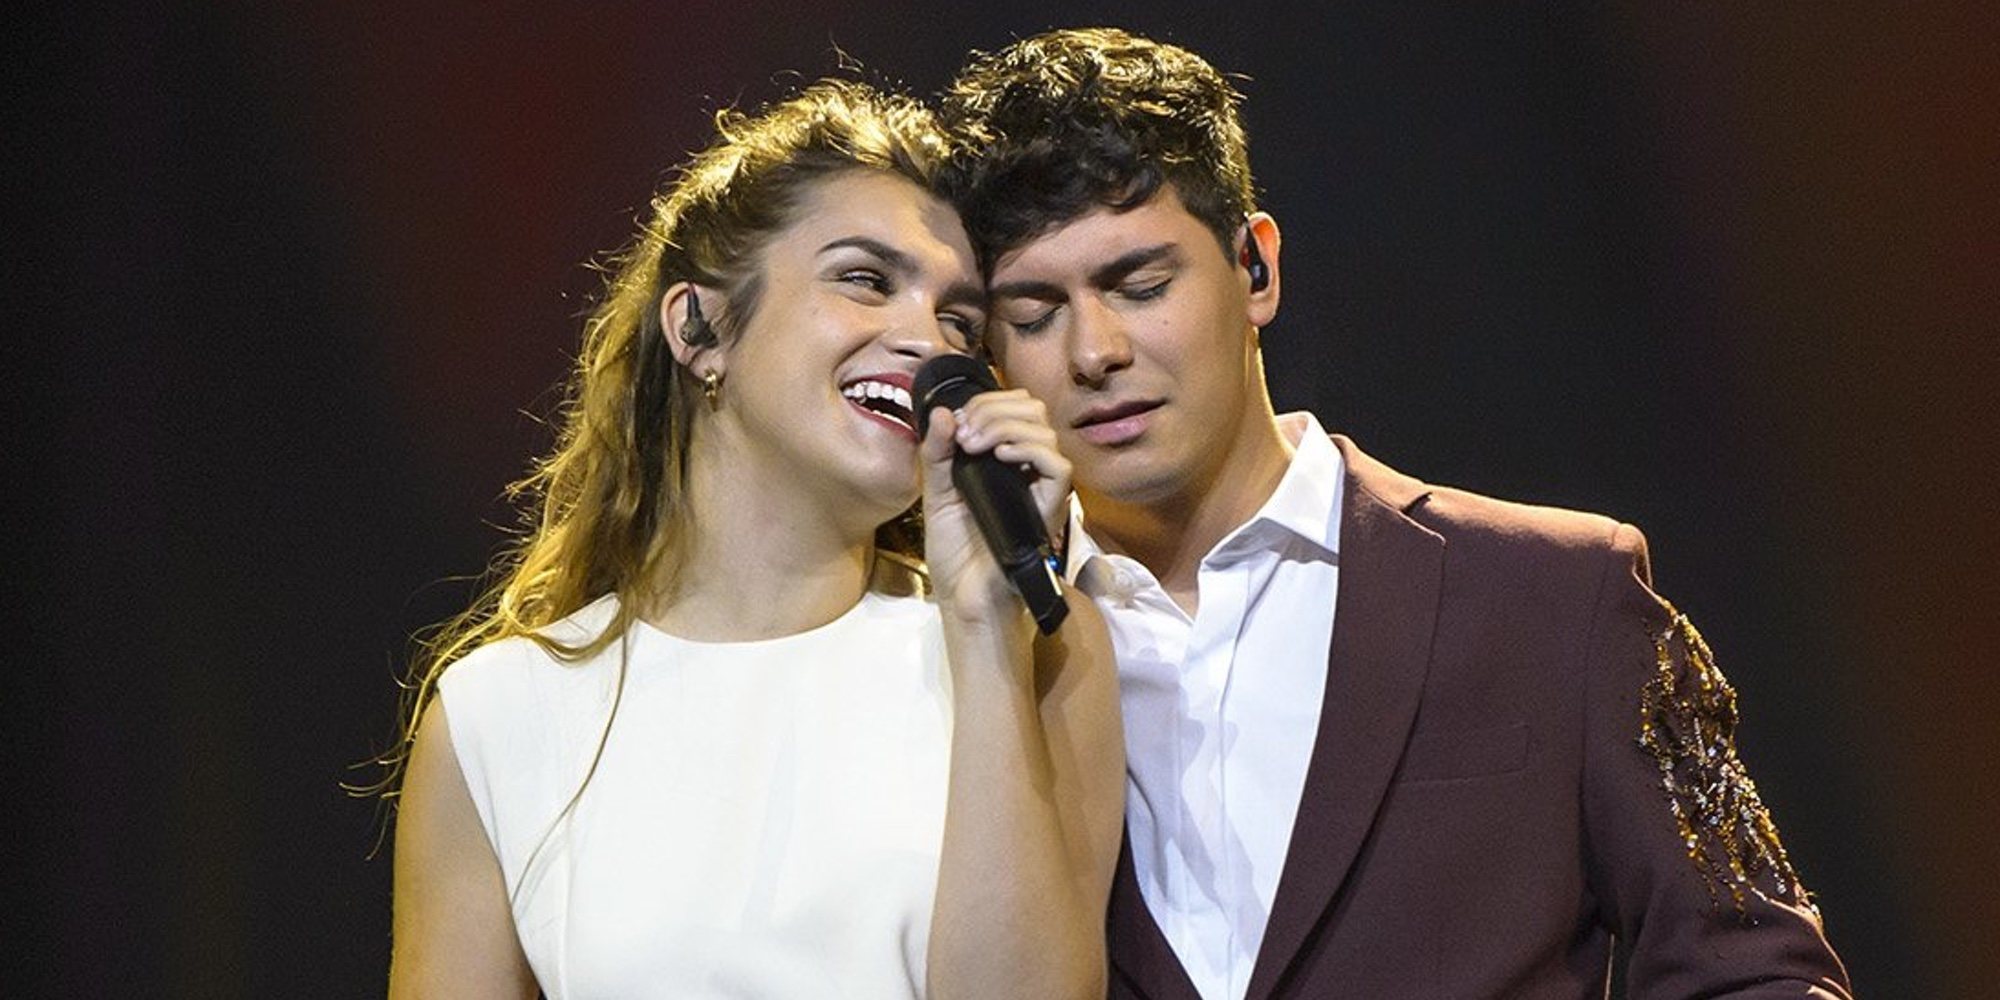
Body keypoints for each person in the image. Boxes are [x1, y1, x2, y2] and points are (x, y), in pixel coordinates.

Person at [937, 27, 1853, 1000]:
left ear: (1255, 268)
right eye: (1033, 314)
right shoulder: (963, 653)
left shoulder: (1554, 598)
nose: (1093, 350)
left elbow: (1760, 974)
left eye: (1141, 284)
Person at [372, 79, 1123, 999]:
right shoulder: (501, 716)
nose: (925, 341)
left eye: (957, 320)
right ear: (698, 325)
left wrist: (982, 630)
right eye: (865, 279)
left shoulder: (1042, 643)